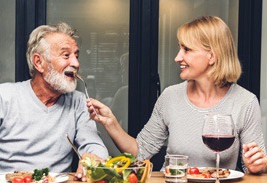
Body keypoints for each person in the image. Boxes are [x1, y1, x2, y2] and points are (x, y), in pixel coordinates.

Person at [87, 16, 267, 174]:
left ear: (211, 56)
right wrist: (110, 122)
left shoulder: (245, 101)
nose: (178, 57)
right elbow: (140, 152)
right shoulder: (170, 96)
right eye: (179, 48)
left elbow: (253, 167)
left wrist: (257, 166)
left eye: (186, 49)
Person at [0, 22, 109, 181]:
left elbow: (94, 144)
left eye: (76, 55)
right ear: (39, 62)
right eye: (66, 55)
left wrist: (94, 157)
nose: (76, 63)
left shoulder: (79, 101)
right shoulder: (1, 97)